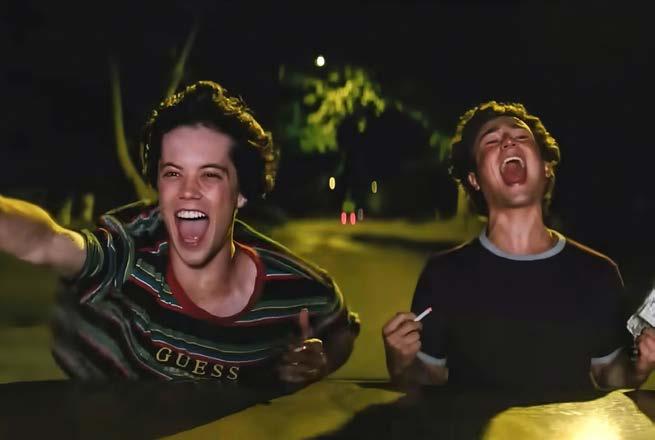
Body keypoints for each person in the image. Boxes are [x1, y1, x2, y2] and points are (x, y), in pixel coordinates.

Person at [0, 80, 359, 386]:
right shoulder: (131, 249)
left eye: (210, 174)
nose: (188, 191)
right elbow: (47, 242)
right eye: (173, 173)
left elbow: (340, 329)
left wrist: (320, 362)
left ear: (241, 192)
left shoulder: (294, 287)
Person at [382, 101, 655, 391]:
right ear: (474, 179)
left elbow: (610, 374)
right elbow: (426, 380)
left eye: (521, 136)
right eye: (491, 141)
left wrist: (639, 368)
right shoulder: (442, 275)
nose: (508, 141)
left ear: (546, 167)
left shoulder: (598, 273)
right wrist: (401, 364)